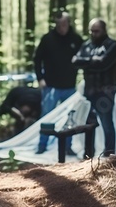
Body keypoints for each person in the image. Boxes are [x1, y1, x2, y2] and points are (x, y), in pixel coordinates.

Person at [34, 11, 83, 155]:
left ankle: (67, 146)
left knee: (70, 117)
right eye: (59, 24)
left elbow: (85, 58)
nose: (62, 27)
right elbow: (37, 59)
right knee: (47, 116)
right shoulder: (47, 39)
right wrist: (40, 78)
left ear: (69, 23)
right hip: (50, 86)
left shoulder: (76, 39)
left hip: (69, 87)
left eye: (64, 23)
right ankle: (42, 145)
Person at [72, 18, 116, 157]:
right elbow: (75, 61)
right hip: (89, 91)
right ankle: (88, 154)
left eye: (96, 31)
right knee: (89, 124)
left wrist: (87, 62)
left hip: (106, 92)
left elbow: (103, 63)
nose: (93, 34)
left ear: (104, 30)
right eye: (91, 31)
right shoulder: (86, 45)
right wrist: (93, 61)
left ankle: (109, 155)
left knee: (106, 123)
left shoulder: (113, 45)